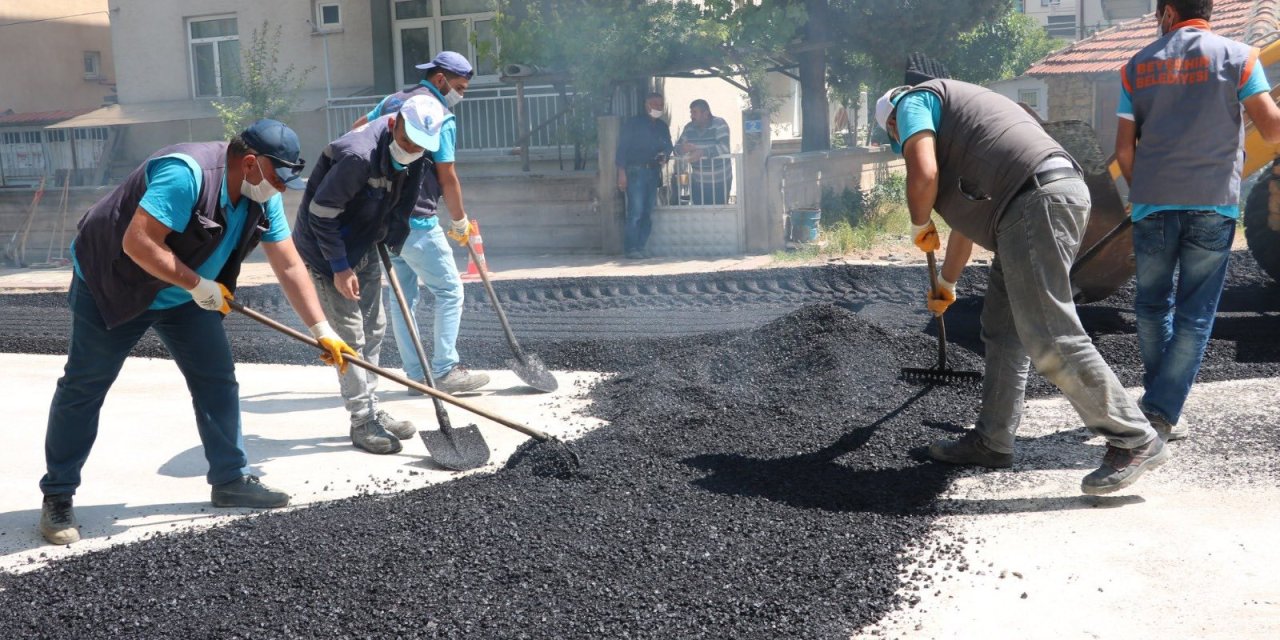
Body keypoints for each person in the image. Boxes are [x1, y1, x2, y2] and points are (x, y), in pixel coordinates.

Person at [38, 119, 357, 545]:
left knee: (217, 382)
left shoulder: (263, 196)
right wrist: (198, 284)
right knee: (84, 385)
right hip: (113, 285)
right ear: (250, 163)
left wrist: (322, 329)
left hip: (186, 296)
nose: (281, 187)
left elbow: (288, 263)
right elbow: (139, 243)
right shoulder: (185, 175)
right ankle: (58, 495)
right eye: (278, 177)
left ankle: (230, 479)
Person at [874, 78, 1168, 496]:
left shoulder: (912, 101)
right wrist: (946, 283)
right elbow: (964, 226)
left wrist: (919, 222)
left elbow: (923, 173)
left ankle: (1134, 437)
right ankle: (992, 440)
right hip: (1035, 203)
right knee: (1003, 327)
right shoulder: (967, 133)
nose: (902, 140)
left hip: (1034, 202)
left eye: (897, 136)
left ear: (892, 123)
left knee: (1048, 332)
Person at [1115, 0, 1280, 441]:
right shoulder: (1240, 58)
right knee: (1195, 313)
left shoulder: (1135, 67)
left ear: (1168, 13)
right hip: (1212, 204)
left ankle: (1157, 404)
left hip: (1152, 204)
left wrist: (1141, 189)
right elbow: (1272, 130)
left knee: (1151, 306)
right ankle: (1161, 409)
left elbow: (1124, 150)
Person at [293, 95, 447, 455]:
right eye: (407, 142)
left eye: (420, 146)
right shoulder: (357, 155)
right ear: (393, 125)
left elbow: (403, 201)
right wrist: (339, 267)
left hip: (365, 242)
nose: (411, 150)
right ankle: (362, 420)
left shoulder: (416, 153)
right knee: (350, 336)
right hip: (327, 250)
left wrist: (390, 236)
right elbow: (321, 214)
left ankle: (372, 409)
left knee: (375, 327)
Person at [361, 51, 489, 396]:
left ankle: (416, 375)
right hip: (417, 219)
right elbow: (447, 176)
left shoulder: (393, 101)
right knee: (450, 291)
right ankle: (445, 369)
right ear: (440, 79)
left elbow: (358, 130)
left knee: (403, 298)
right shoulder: (439, 116)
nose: (460, 95)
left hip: (384, 220)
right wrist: (459, 221)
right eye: (459, 87)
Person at [616, 92, 673, 259]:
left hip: (653, 172)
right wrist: (621, 173)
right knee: (636, 212)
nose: (658, 108)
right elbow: (622, 149)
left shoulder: (662, 126)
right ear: (647, 105)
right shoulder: (633, 124)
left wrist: (665, 155)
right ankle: (631, 249)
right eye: (655, 104)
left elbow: (668, 146)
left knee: (648, 212)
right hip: (635, 171)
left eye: (661, 105)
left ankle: (640, 248)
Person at [675, 99, 733, 205]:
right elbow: (676, 149)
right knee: (700, 213)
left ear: (706, 114)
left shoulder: (719, 124)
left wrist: (702, 152)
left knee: (719, 212)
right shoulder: (689, 128)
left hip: (720, 181)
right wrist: (683, 149)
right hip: (698, 182)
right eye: (691, 112)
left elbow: (724, 147)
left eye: (694, 112)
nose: (691, 116)